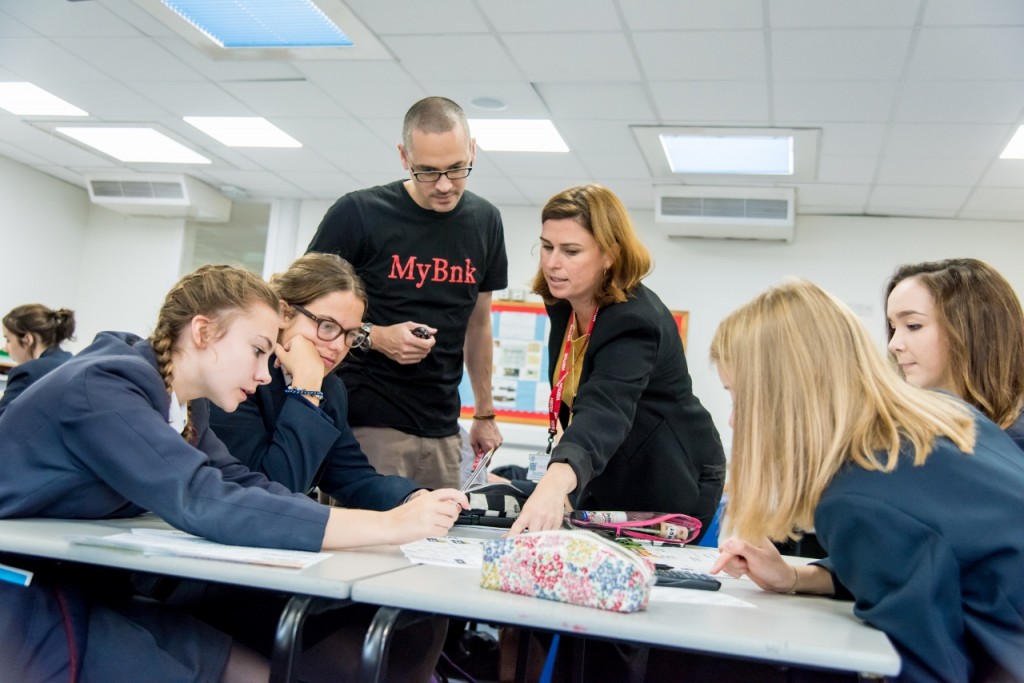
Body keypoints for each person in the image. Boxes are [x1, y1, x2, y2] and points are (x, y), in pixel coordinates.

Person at [0, 264, 467, 683]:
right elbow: (203, 498)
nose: (266, 374)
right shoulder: (104, 386)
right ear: (203, 332)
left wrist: (398, 521)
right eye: (258, 350)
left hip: (78, 583)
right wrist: (389, 525)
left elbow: (243, 483)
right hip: (24, 594)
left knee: (251, 669)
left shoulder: (185, 407)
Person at [708, 279, 1024, 683]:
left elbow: (928, 669)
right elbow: (930, 558)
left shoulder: (858, 496)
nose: (733, 421)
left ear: (783, 399)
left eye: (738, 398)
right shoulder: (942, 415)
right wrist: (795, 577)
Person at [307, 95, 507, 490]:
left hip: (444, 428)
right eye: (428, 172)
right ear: (403, 157)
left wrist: (484, 413)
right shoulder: (359, 214)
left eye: (457, 168)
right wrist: (375, 336)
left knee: (438, 547)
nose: (445, 185)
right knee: (372, 546)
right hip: (368, 421)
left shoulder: (486, 221)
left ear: (473, 149)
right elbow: (303, 310)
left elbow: (478, 324)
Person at [509, 184, 726, 539]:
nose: (552, 262)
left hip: (668, 473)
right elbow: (576, 400)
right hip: (607, 468)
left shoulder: (634, 319)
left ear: (609, 255)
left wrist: (553, 485)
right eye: (547, 247)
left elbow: (605, 408)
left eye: (571, 251)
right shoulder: (564, 305)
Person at [209, 253, 423, 509]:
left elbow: (352, 478)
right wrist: (306, 388)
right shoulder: (242, 375)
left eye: (350, 334)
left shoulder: (330, 388)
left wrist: (414, 497)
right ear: (285, 313)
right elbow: (272, 493)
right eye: (327, 326)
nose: (337, 346)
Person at [885, 258, 1024, 450]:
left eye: (913, 326)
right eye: (893, 328)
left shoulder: (1014, 444)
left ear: (973, 331)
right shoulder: (902, 437)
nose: (893, 345)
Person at [0, 303, 75, 417]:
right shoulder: (71, 361)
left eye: (8, 340)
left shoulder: (28, 372)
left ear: (27, 339)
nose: (4, 348)